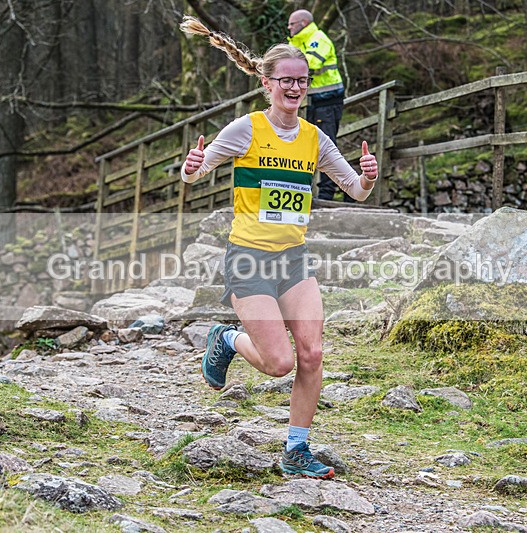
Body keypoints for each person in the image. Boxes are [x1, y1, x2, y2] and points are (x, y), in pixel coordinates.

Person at [179, 16, 379, 480]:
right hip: (248, 258)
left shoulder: (314, 138)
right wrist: (191, 166)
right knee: (278, 363)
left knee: (311, 354)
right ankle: (226, 339)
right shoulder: (246, 129)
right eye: (286, 81)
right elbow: (196, 173)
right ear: (267, 83)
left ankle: (296, 450)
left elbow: (356, 190)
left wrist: (367, 176)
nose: (295, 89)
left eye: (302, 82)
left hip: (293, 259)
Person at [287, 9, 351, 202]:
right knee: (310, 144)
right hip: (314, 102)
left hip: (327, 102)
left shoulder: (318, 39)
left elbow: (310, 64)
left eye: (292, 24)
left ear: (304, 23)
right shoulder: (297, 44)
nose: (288, 28)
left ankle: (328, 194)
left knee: (326, 145)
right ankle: (307, 189)